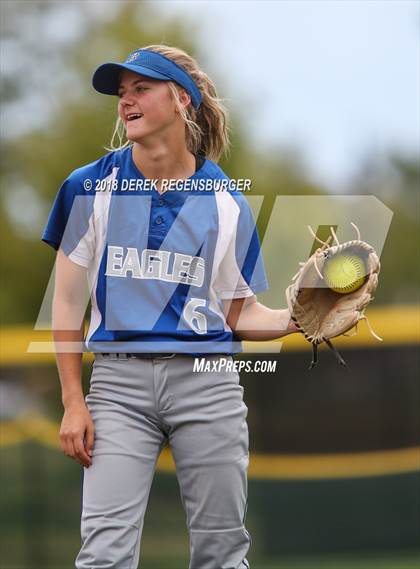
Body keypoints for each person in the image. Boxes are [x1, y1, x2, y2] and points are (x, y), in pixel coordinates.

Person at [41, 44, 298, 569]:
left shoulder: (225, 200)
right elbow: (66, 304)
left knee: (222, 552)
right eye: (121, 93)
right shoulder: (89, 187)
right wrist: (73, 400)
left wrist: (298, 319)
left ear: (181, 98)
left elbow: (238, 314)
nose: (126, 102)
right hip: (118, 385)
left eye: (141, 89)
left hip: (207, 382)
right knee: (104, 556)